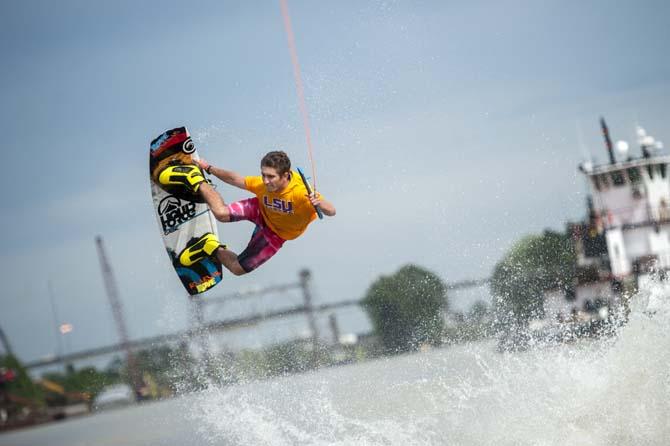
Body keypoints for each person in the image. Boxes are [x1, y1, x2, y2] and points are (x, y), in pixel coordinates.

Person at [158, 150, 336, 275]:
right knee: (221, 214)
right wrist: (208, 168)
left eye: (271, 177)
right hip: (260, 209)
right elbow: (237, 179)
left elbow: (331, 210)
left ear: (286, 175)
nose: (265, 181)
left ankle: (209, 245)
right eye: (263, 175)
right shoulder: (263, 184)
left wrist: (318, 201)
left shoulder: (301, 194)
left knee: (237, 269)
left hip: (276, 234)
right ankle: (194, 179)